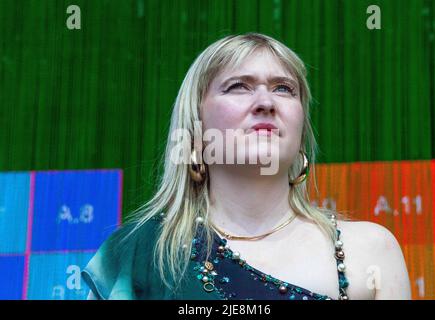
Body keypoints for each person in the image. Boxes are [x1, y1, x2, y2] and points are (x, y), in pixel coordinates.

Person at [82, 33, 411, 300]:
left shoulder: (370, 252)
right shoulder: (138, 255)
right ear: (195, 129)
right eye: (238, 86)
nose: (266, 102)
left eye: (283, 89)